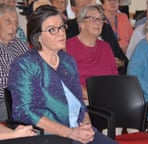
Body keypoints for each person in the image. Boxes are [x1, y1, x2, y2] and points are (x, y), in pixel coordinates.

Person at [7, 5, 117, 144]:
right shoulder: (25, 64)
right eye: (52, 30)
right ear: (38, 36)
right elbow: (23, 111)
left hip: (77, 130)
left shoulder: (67, 60)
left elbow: (79, 101)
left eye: (62, 27)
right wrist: (70, 133)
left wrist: (87, 127)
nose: (61, 33)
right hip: (50, 135)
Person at [67, 4, 118, 100]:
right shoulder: (68, 47)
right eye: (92, 18)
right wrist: (94, 97)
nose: (98, 23)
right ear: (81, 23)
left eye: (100, 19)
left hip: (107, 100)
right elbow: (67, 82)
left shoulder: (105, 47)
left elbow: (114, 79)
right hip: (81, 101)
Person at [0, 3, 29, 121]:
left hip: (24, 97)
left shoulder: (19, 44)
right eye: (8, 21)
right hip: (4, 101)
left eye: (16, 23)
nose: (13, 27)